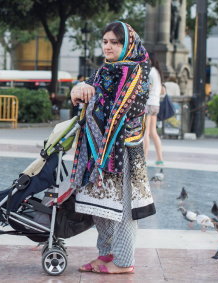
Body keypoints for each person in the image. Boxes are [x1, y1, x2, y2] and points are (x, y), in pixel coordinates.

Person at [69, 21, 156, 274]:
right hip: (100, 150)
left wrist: (90, 92)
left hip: (123, 150)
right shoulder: (106, 69)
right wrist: (80, 87)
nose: (108, 46)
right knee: (101, 204)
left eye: (114, 42)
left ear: (127, 44)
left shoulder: (136, 71)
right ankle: (106, 254)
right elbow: (82, 92)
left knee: (123, 208)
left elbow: (119, 110)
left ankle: (123, 261)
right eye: (105, 41)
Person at [143, 53, 164, 165]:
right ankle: (160, 158)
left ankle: (144, 158)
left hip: (148, 104)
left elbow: (147, 88)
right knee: (153, 132)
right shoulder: (157, 73)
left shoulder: (150, 73)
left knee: (145, 133)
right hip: (155, 104)